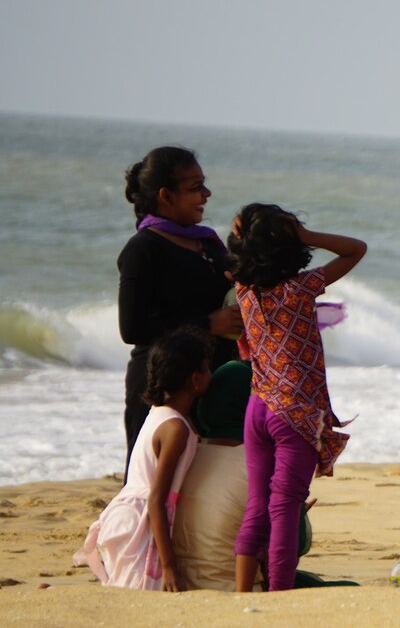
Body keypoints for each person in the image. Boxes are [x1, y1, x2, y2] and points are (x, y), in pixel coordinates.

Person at [225, 203, 367, 592]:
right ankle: (278, 597)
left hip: (258, 407)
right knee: (285, 506)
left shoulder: (243, 289)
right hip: (295, 412)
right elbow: (356, 249)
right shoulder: (300, 288)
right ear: (290, 246)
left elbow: (237, 249)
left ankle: (242, 594)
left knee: (257, 504)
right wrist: (307, 236)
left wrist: (243, 232)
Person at [118, 146, 242, 477]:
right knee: (153, 485)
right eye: (194, 187)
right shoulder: (143, 249)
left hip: (210, 380)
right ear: (166, 196)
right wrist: (207, 324)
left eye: (204, 184)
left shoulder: (209, 243)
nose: (206, 193)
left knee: (201, 486)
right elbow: (132, 328)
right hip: (163, 384)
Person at [75, 328, 213, 591]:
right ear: (194, 379)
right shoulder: (176, 429)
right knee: (140, 595)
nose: (211, 375)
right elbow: (155, 499)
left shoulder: (160, 413)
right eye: (207, 369)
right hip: (141, 521)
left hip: (131, 515)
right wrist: (169, 565)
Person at [173, 360, 254, 591]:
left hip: (180, 586)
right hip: (231, 588)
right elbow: (281, 552)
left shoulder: (186, 456)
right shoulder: (257, 467)